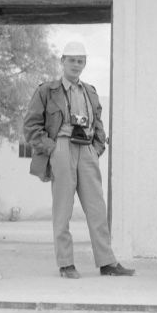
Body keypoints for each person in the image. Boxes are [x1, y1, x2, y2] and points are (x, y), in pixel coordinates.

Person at [23, 41, 135, 279]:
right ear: (62, 61)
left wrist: (97, 148)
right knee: (62, 208)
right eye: (72, 60)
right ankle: (66, 264)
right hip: (62, 147)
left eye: (80, 60)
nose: (76, 64)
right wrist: (51, 148)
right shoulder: (47, 91)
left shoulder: (90, 91)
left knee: (97, 207)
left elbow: (98, 124)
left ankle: (107, 262)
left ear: (85, 63)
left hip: (87, 149)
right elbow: (31, 126)